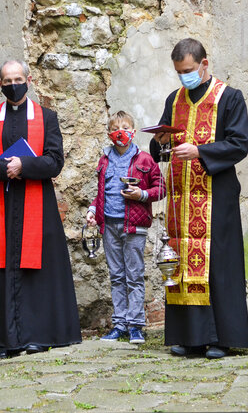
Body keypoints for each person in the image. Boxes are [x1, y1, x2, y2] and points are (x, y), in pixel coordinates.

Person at [0, 60, 81, 359]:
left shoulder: (47, 117)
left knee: (37, 270)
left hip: (37, 202)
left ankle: (37, 336)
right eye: (7, 80)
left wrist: (24, 165)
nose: (13, 84)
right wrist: (5, 168)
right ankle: (8, 339)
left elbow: (55, 161)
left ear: (28, 79)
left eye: (18, 78)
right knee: (2, 266)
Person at [150, 38, 248, 359]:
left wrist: (200, 151)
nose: (184, 77)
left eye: (189, 71)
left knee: (218, 266)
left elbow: (239, 144)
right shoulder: (174, 98)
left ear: (205, 64)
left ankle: (221, 338)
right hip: (180, 200)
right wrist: (161, 141)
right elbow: (160, 153)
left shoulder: (230, 98)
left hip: (215, 197)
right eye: (180, 72)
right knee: (180, 266)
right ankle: (190, 337)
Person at [86, 111, 165, 344]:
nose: (121, 132)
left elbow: (161, 189)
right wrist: (92, 210)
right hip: (109, 224)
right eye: (116, 128)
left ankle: (136, 326)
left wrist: (141, 194)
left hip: (134, 226)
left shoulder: (144, 160)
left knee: (134, 276)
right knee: (117, 276)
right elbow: (101, 193)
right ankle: (120, 324)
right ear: (110, 133)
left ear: (133, 130)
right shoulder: (105, 159)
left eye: (125, 127)